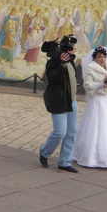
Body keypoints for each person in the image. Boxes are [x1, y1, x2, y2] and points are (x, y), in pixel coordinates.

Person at [39, 35, 79, 173]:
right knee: (60, 132)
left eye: (73, 49)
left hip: (72, 101)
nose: (73, 51)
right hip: (59, 101)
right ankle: (44, 152)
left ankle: (64, 162)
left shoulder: (71, 61)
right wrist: (60, 64)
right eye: (70, 49)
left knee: (72, 132)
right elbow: (52, 79)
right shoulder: (53, 62)